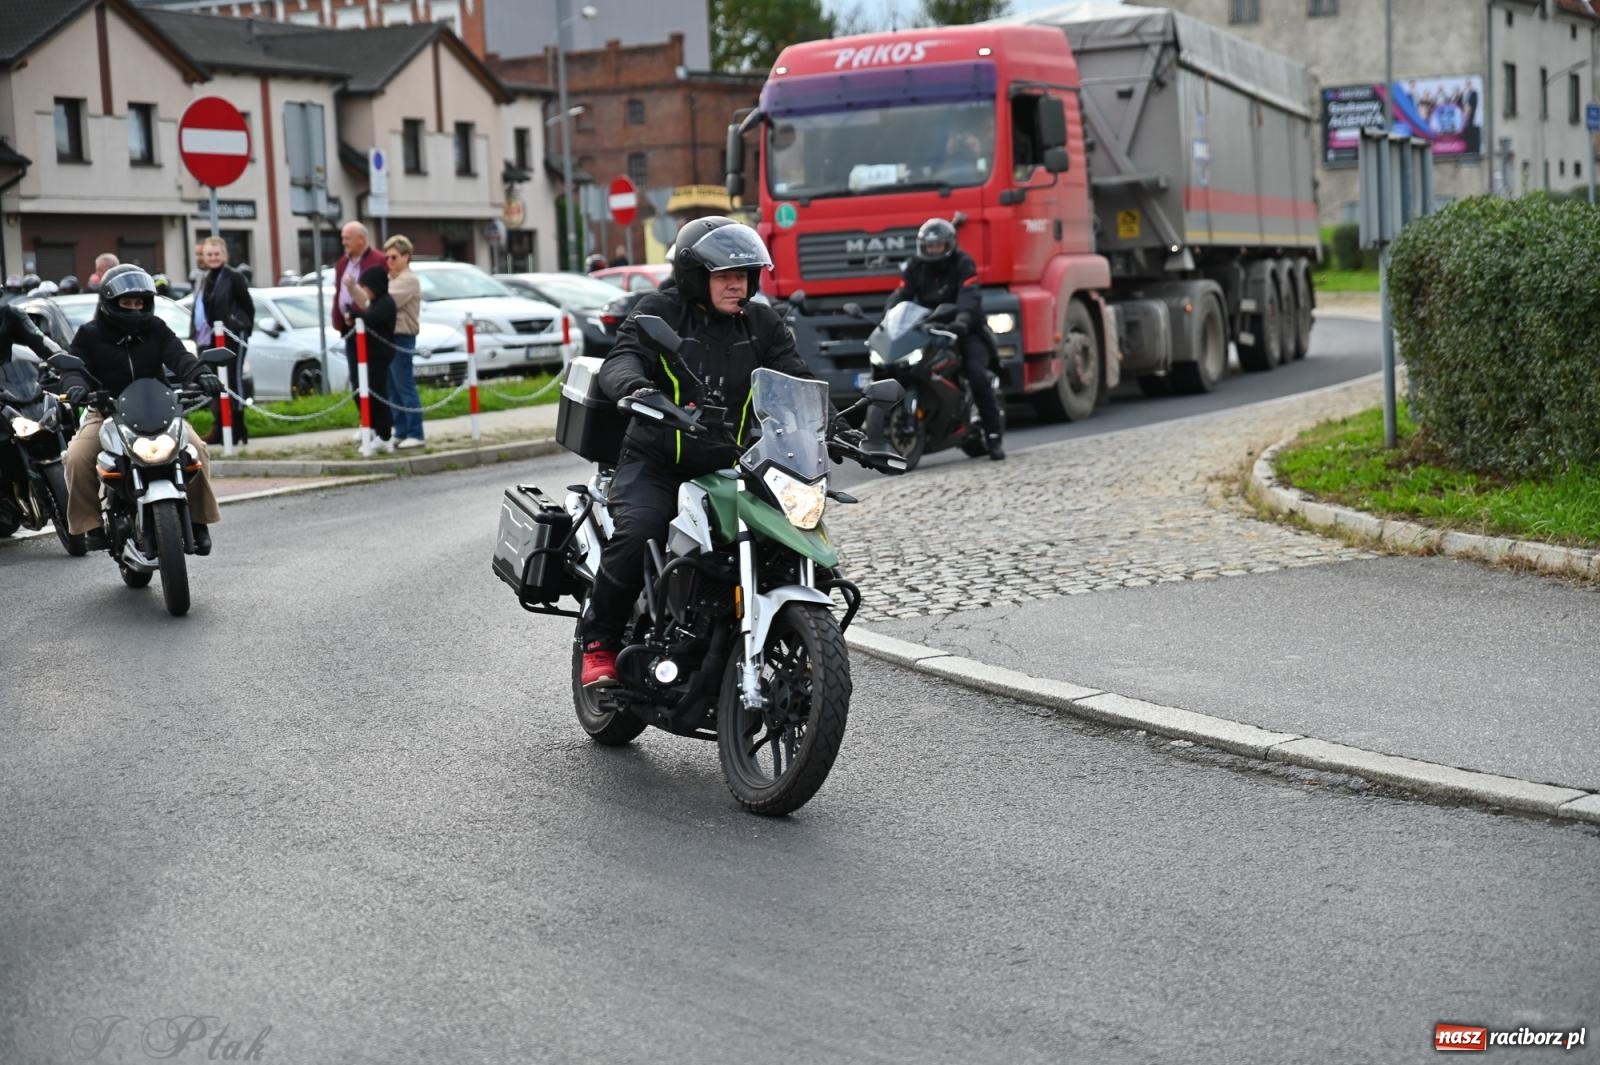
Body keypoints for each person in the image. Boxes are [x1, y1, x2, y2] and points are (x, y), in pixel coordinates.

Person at [579, 217, 837, 687]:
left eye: (744, 275)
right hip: (658, 463)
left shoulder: (762, 323)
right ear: (696, 276)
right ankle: (600, 643)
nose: (737, 285)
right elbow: (624, 357)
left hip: (734, 464)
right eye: (724, 276)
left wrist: (837, 422)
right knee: (640, 532)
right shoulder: (660, 310)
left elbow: (795, 377)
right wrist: (636, 388)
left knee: (787, 536)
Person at [54, 265, 223, 553]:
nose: (134, 309)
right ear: (109, 303)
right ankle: (90, 525)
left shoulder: (156, 328)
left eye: (139, 302)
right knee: (76, 457)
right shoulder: (89, 334)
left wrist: (199, 373)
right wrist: (74, 386)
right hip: (106, 410)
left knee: (196, 449)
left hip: (158, 411)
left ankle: (198, 521)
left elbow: (179, 356)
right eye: (126, 302)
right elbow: (74, 367)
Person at [885, 217, 1004, 461]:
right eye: (929, 246)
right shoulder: (915, 266)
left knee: (976, 374)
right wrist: (888, 317)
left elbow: (969, 296)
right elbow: (902, 294)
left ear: (948, 245)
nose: (933, 250)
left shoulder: (963, 264)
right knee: (896, 365)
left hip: (966, 329)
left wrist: (961, 320)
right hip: (928, 328)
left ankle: (993, 435)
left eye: (937, 246)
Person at [190, 236, 255, 445]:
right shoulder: (204, 278)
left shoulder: (234, 277)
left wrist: (240, 327)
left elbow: (247, 307)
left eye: (217, 254)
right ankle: (220, 425)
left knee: (233, 380)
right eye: (209, 254)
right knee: (215, 382)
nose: (213, 257)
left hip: (232, 335)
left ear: (224, 255)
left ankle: (237, 426)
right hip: (209, 338)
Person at [380, 235, 425, 448]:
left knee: (404, 385)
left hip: (402, 336)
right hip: (388, 337)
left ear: (406, 256)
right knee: (392, 387)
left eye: (394, 257)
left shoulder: (408, 279)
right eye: (387, 257)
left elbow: (385, 301)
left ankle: (416, 432)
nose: (389, 261)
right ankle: (401, 429)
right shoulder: (392, 278)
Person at [332, 221, 386, 397]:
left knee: (372, 379)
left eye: (347, 238)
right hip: (349, 328)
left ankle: (377, 421)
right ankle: (365, 419)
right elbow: (339, 291)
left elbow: (379, 295)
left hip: (370, 328)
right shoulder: (342, 263)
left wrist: (358, 313)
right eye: (343, 238)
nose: (344, 242)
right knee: (356, 379)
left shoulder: (378, 260)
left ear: (361, 240)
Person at [349, 264, 397, 456]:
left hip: (380, 355)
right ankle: (376, 429)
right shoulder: (376, 303)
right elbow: (368, 315)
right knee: (365, 393)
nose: (365, 291)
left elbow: (372, 318)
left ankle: (385, 435)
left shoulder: (386, 303)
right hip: (370, 355)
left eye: (367, 287)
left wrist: (354, 315)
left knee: (378, 394)